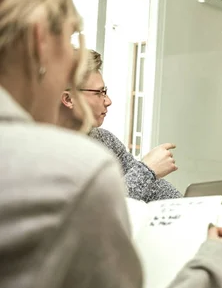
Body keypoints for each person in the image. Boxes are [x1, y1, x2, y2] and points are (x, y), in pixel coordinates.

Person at [0, 0, 222, 288]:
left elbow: (165, 203)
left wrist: (200, 215)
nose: (108, 100)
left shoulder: (104, 143)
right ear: (41, 41)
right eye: (71, 38)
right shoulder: (74, 170)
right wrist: (215, 260)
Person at [59, 49, 182, 202]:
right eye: (99, 93)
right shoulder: (51, 152)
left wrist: (194, 211)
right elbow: (100, 209)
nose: (108, 101)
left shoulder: (104, 139)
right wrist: (147, 170)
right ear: (68, 99)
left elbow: (152, 189)